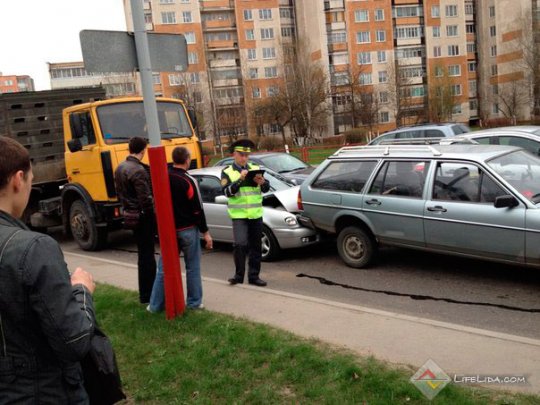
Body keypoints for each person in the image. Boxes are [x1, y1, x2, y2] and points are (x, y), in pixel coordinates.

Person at [0, 136, 96, 403]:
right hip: (42, 392)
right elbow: (74, 340)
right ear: (18, 179)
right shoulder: (33, 248)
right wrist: (82, 291)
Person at [148, 146, 213, 312]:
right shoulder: (188, 181)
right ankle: (194, 302)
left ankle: (154, 305)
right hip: (188, 229)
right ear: (187, 160)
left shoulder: (163, 178)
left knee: (164, 268)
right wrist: (205, 232)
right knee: (193, 267)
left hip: (169, 231)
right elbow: (197, 209)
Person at [221, 139, 270, 287]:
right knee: (240, 244)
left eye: (246, 155)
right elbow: (227, 192)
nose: (244, 158)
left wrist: (262, 182)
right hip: (239, 216)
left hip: (255, 214)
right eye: (241, 155)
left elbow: (266, 188)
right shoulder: (227, 171)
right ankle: (238, 275)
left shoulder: (255, 168)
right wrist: (240, 180)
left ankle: (254, 276)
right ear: (234, 154)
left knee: (256, 247)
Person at [114, 136, 156, 304]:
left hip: (130, 214)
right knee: (148, 256)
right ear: (143, 150)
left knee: (142, 255)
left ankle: (145, 293)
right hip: (143, 217)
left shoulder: (120, 168)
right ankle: (148, 293)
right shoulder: (138, 170)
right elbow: (145, 198)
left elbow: (120, 193)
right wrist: (152, 215)